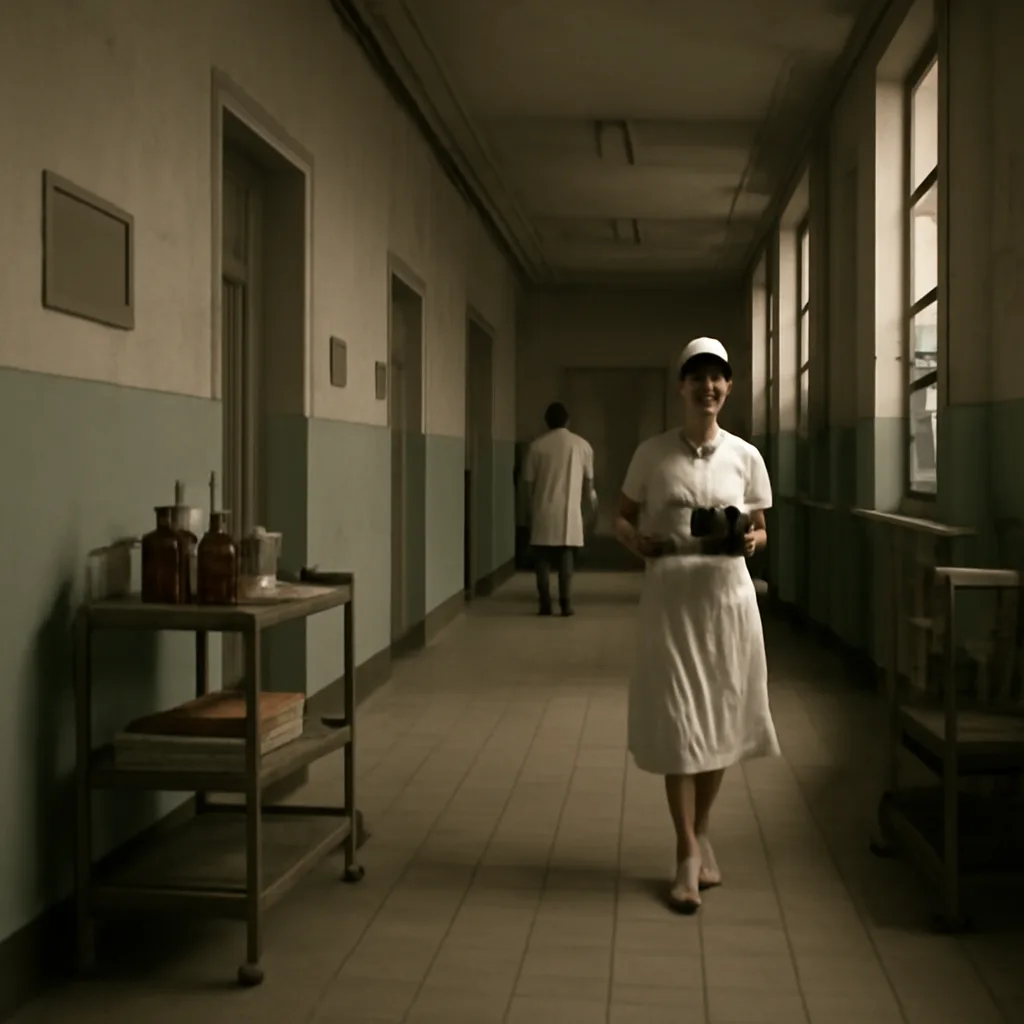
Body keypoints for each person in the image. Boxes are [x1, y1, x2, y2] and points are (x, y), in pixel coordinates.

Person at [613, 337, 779, 914]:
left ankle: (701, 830)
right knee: (681, 725)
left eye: (718, 378)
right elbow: (622, 518)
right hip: (671, 603)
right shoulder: (653, 453)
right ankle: (685, 851)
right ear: (681, 386)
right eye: (696, 377)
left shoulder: (745, 456)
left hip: (727, 604)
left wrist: (751, 540)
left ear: (728, 387)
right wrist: (638, 542)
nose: (707, 387)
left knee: (720, 722)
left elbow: (760, 528)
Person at [521, 402, 597, 617]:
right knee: (566, 559)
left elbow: (528, 484)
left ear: (546, 422)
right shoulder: (582, 445)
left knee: (542, 561)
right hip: (570, 512)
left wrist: (528, 511)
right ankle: (566, 604)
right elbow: (589, 484)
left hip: (542, 509)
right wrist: (589, 509)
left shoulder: (536, 447)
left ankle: (545, 604)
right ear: (568, 420)